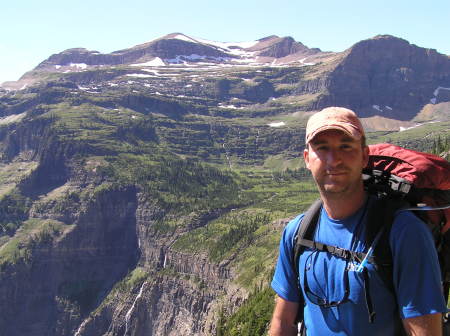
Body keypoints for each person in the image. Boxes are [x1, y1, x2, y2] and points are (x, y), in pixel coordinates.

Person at [269, 107, 448, 336]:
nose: (334, 160)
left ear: (364, 156)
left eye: (346, 146)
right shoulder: (297, 233)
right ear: (307, 159)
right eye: (322, 148)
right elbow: (283, 322)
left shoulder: (404, 232)